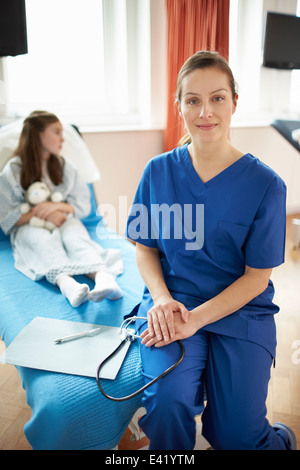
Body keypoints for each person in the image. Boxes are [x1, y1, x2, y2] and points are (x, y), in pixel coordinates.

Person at [126, 51, 297, 450]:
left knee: (238, 437)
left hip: (241, 314)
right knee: (167, 407)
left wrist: (197, 321)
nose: (205, 111)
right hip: (174, 307)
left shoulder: (266, 185)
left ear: (234, 101)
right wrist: (164, 301)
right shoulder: (158, 171)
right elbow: (144, 247)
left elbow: (257, 277)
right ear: (180, 106)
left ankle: (281, 441)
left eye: (218, 98)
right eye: (193, 100)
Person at [0, 110, 123, 307]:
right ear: (38, 134)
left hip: (64, 219)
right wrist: (42, 213)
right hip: (30, 225)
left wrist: (57, 207)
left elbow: (83, 206)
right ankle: (67, 284)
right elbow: (6, 218)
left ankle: (104, 278)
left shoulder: (64, 166)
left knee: (76, 239)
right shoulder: (13, 170)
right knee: (43, 242)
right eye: (56, 132)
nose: (62, 139)